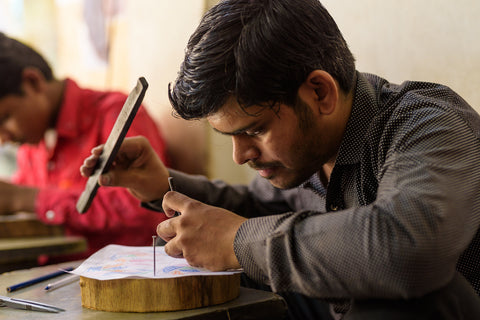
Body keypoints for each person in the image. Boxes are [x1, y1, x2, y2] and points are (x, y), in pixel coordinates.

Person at [80, 0, 480, 319]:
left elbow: (408, 249)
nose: (240, 156)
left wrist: (237, 242)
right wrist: (162, 185)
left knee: (417, 293)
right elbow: (261, 209)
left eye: (254, 130)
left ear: (319, 93)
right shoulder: (304, 157)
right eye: (228, 137)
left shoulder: (430, 123)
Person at [0, 32, 176, 262]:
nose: (3, 138)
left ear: (33, 82)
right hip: (58, 278)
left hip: (128, 278)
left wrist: (23, 199)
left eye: (4, 118)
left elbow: (143, 210)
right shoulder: (32, 144)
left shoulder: (114, 115)